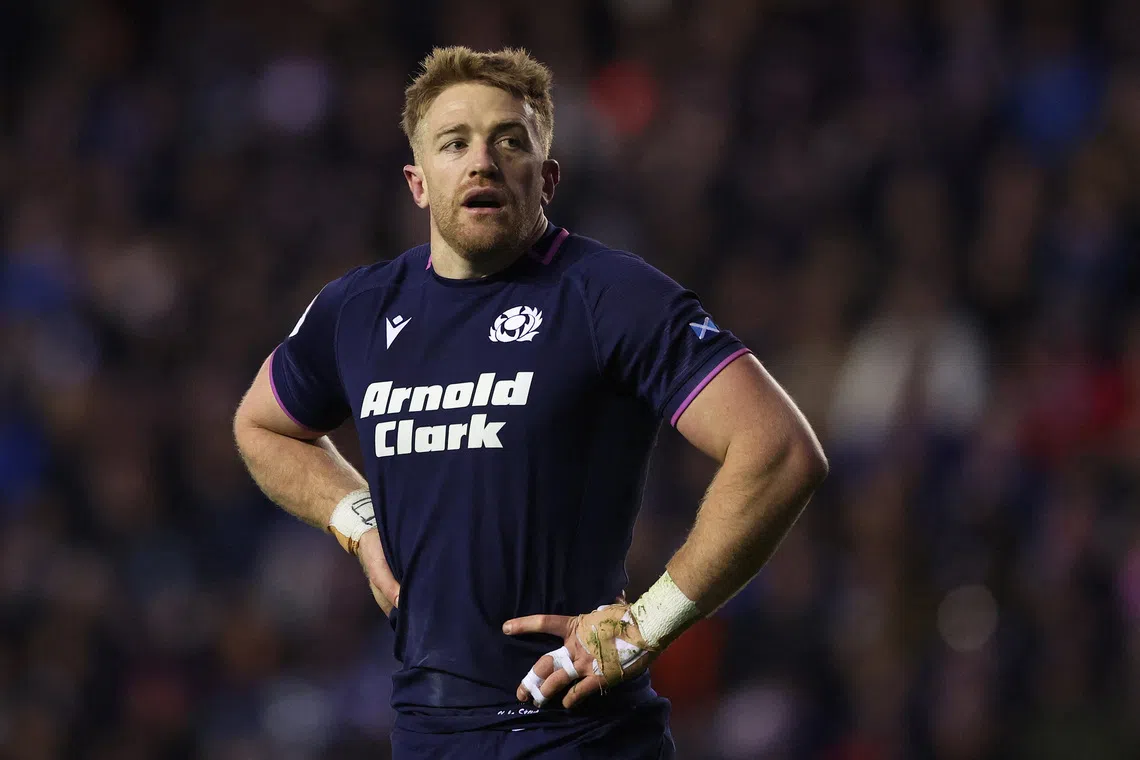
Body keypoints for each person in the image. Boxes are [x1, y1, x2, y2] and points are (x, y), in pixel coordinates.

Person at [232, 46, 828, 759]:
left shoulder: (611, 295)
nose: (482, 161)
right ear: (418, 183)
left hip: (579, 735)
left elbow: (780, 450)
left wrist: (649, 623)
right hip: (426, 737)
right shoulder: (356, 310)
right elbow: (262, 426)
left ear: (547, 178)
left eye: (509, 141)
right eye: (455, 143)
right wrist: (359, 523)